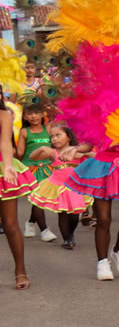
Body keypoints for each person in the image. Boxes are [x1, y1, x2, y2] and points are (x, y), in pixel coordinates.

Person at [28, 123, 92, 249]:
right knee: (62, 213)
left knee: (74, 215)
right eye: (52, 137)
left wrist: (81, 152)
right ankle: (67, 239)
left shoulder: (77, 151)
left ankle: (71, 234)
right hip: (57, 185)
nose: (54, 139)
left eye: (58, 135)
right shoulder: (53, 153)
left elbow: (95, 156)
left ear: (68, 136)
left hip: (75, 186)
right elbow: (32, 157)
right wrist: (41, 148)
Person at [1, 94, 35, 288]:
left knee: (10, 223)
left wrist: (7, 165)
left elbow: (5, 143)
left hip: (2, 169)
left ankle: (20, 271)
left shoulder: (4, 115)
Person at [15, 102, 56, 242]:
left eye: (37, 113)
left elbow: (63, 117)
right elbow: (20, 153)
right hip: (30, 170)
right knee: (38, 199)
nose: (33, 116)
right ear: (25, 117)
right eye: (29, 113)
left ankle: (30, 223)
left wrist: (51, 106)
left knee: (40, 199)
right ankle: (44, 230)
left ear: (42, 114)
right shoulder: (24, 132)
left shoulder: (49, 128)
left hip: (47, 170)